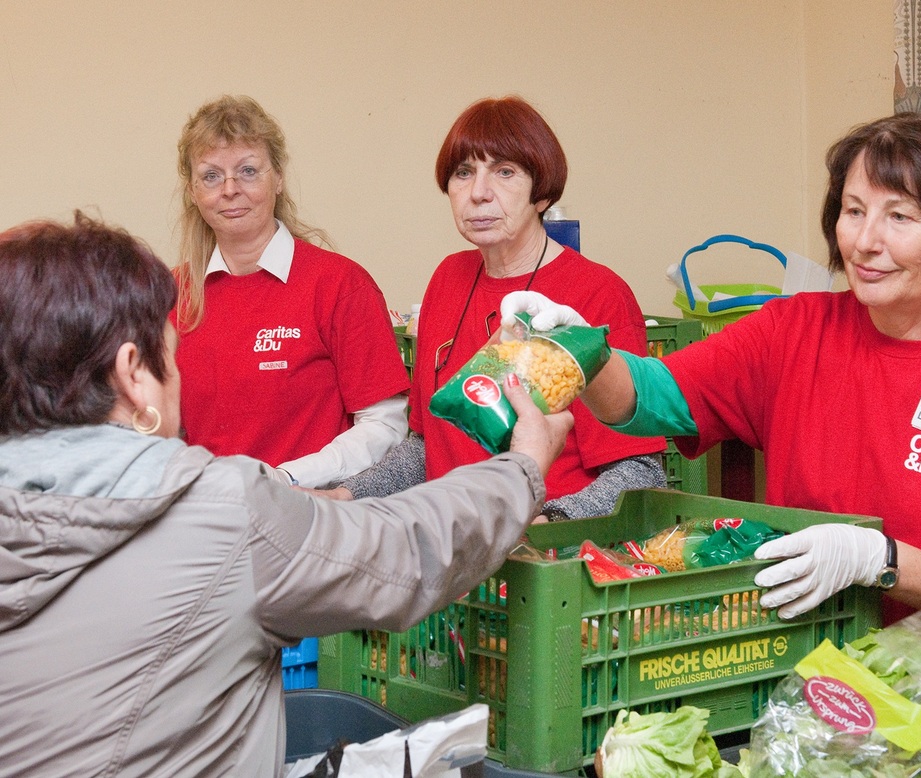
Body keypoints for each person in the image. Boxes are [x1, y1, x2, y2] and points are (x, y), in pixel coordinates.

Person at [501, 111, 921, 658]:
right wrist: (582, 351)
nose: (866, 241)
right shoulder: (795, 331)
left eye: (900, 217)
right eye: (854, 210)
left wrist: (884, 561)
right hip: (805, 676)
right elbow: (653, 398)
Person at [0, 212, 571, 776]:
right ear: (133, 374)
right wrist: (521, 468)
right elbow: (406, 551)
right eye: (170, 356)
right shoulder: (221, 515)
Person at [329, 96, 666, 520]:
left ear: (541, 193)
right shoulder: (447, 279)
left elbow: (639, 472)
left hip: (549, 550)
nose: (478, 193)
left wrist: (544, 525)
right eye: (463, 172)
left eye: (505, 172)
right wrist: (345, 495)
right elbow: (427, 448)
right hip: (454, 543)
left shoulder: (596, 293)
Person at [173, 95, 410, 488]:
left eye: (248, 171)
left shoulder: (340, 284)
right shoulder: (170, 296)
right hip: (209, 511)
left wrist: (285, 480)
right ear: (193, 191)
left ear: (278, 178)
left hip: (312, 506)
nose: (230, 189)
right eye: (211, 176)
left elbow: (384, 424)